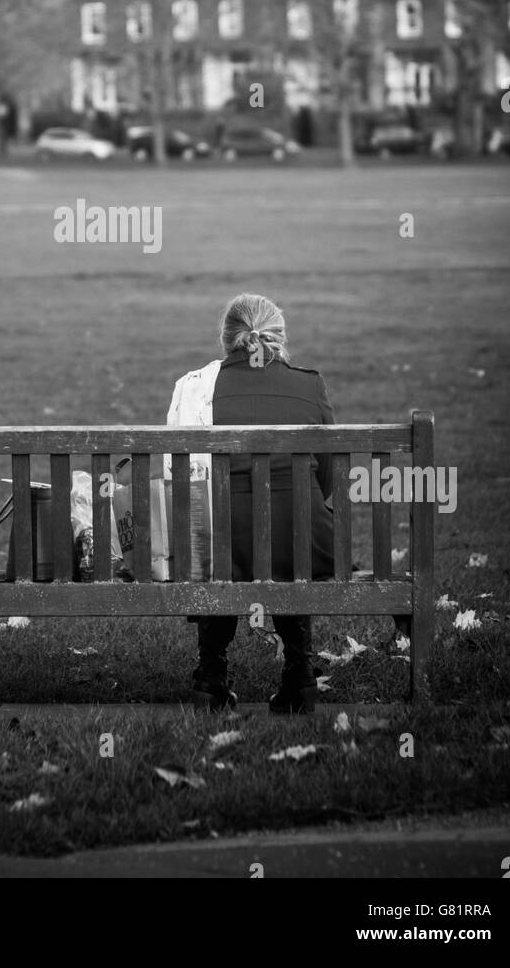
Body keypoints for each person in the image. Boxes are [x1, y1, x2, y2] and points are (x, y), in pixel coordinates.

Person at [167, 292, 335, 715]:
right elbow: (327, 476)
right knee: (287, 535)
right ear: (277, 337)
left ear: (227, 339)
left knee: (218, 540)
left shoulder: (198, 390)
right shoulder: (310, 384)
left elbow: (182, 483)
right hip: (302, 543)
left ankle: (211, 676)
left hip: (221, 549)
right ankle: (300, 676)